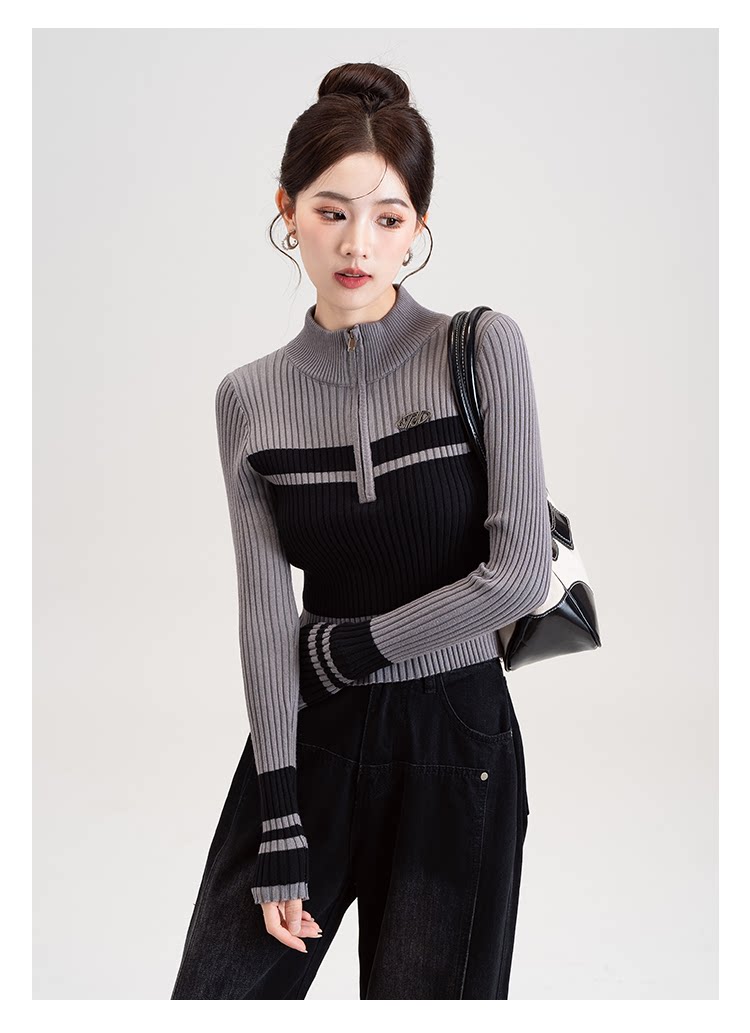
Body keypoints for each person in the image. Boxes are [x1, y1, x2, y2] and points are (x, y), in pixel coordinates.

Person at [170, 60, 552, 1001]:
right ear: (287, 209)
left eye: (388, 218)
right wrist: (279, 812)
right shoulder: (248, 398)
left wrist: (355, 647)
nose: (357, 243)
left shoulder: (481, 349)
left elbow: (517, 574)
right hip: (313, 735)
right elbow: (267, 618)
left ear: (418, 225)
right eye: (332, 211)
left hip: (456, 738)